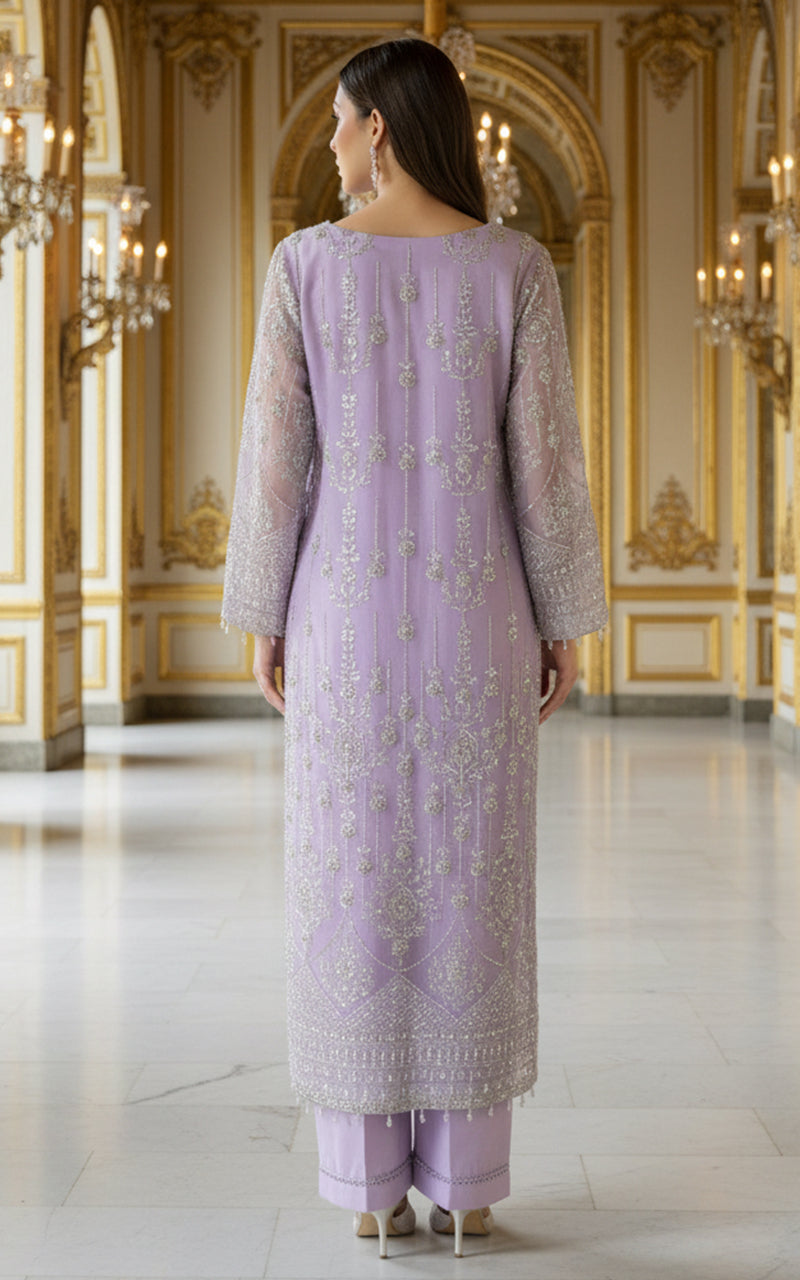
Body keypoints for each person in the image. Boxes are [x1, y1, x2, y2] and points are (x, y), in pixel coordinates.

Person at [221, 36, 608, 1260]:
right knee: (468, 883)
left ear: (377, 127)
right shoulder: (513, 266)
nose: (333, 141)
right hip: (477, 624)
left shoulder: (303, 265)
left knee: (350, 884)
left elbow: (274, 464)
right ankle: (467, 1185)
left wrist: (261, 615)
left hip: (340, 627)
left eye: (341, 121)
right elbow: (545, 466)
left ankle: (365, 1187)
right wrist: (563, 620)